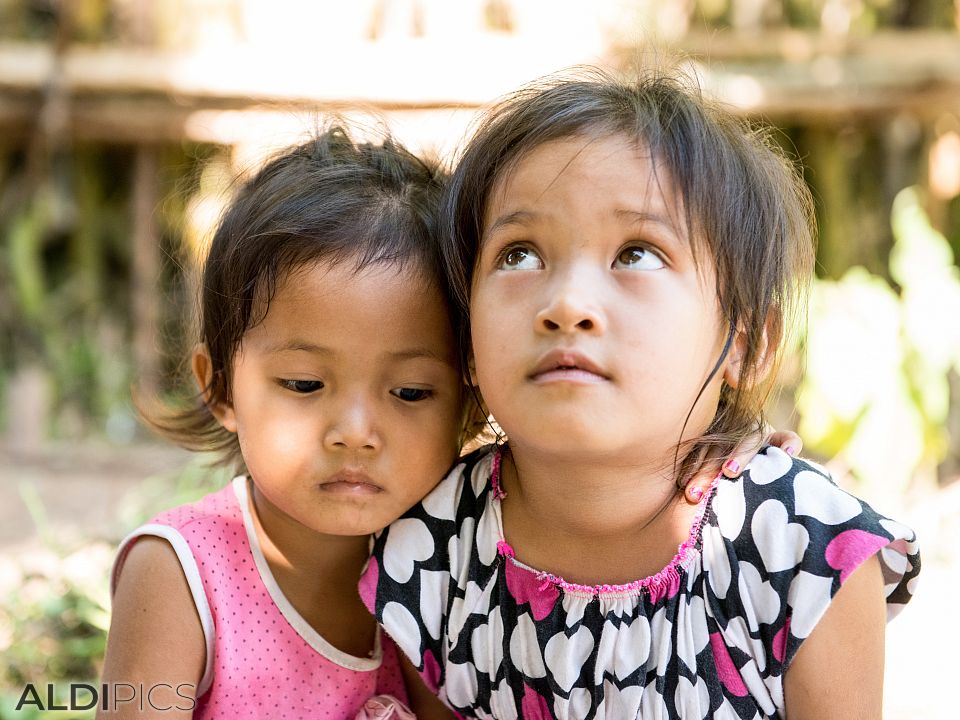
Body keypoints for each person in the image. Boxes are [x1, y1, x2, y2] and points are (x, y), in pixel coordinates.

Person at [361, 68, 920, 719]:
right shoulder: (433, 548)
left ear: (746, 342)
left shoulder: (801, 551)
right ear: (468, 343)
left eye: (637, 253)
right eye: (518, 254)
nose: (567, 305)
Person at [98, 127, 463, 719]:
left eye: (411, 391)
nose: (355, 432)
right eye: (304, 385)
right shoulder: (181, 575)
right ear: (220, 387)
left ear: (466, 406)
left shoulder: (443, 575)